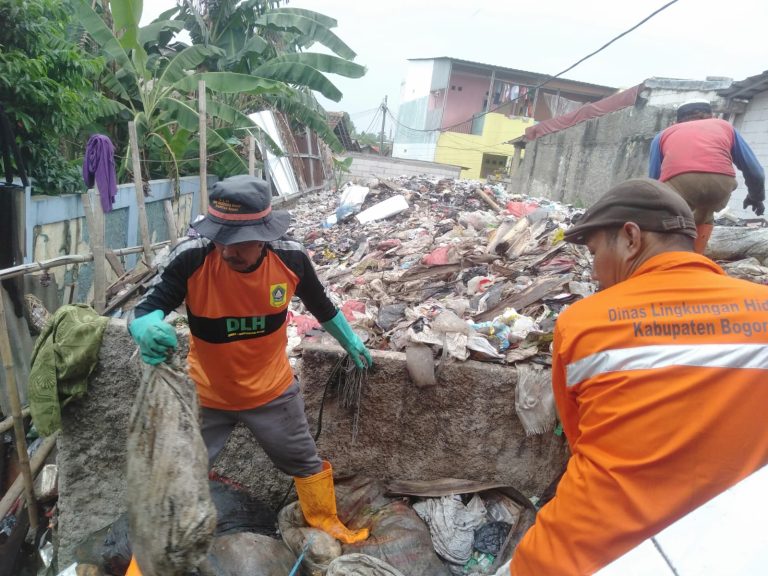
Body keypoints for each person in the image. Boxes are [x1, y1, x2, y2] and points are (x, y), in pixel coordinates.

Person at [510, 178, 768, 575]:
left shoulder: (583, 322)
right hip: (718, 552)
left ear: (631, 237)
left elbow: (579, 439)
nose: (594, 272)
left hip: (576, 559)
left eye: (595, 251)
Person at [125, 176, 372, 575]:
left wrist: (350, 340)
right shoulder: (192, 257)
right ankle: (149, 561)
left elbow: (321, 305)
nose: (226, 251)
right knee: (178, 477)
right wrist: (146, 327)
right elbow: (146, 307)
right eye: (220, 239)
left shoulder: (289, 259)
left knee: (305, 463)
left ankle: (325, 521)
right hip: (205, 396)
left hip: (272, 393)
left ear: (264, 236)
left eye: (238, 242)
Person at [648, 99, 765, 254]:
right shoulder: (725, 127)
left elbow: (654, 179)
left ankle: (664, 259)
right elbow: (755, 171)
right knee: (705, 215)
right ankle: (694, 260)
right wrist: (756, 197)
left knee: (669, 220)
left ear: (677, 121)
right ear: (712, 115)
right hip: (721, 184)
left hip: (680, 183)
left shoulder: (664, 135)